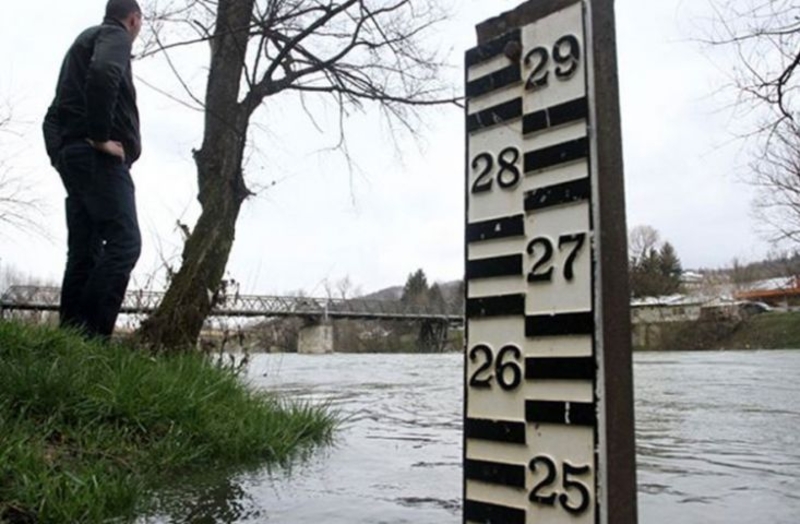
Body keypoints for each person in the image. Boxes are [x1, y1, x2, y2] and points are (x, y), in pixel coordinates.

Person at [43, 0, 143, 340]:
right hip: (98, 159)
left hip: (75, 157)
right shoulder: (114, 37)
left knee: (85, 248)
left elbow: (52, 114)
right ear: (133, 19)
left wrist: (61, 155)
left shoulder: (80, 45)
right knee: (125, 243)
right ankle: (90, 339)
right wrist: (100, 139)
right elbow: (104, 73)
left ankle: (68, 340)